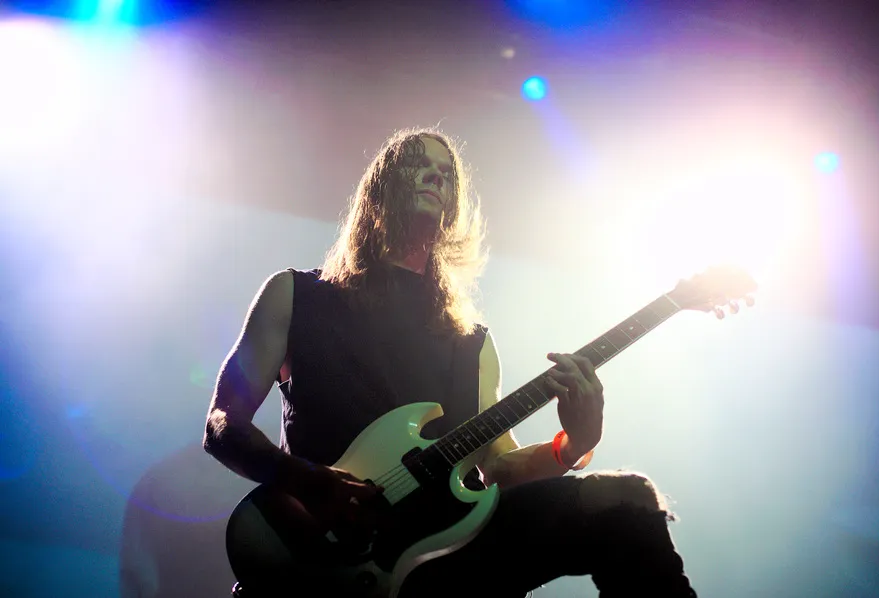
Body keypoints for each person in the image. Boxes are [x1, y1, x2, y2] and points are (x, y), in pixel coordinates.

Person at [202, 127, 698, 597]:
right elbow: (223, 423)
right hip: (327, 556)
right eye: (418, 164)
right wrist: (307, 481)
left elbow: (497, 465)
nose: (436, 176)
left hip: (453, 552)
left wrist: (574, 444)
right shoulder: (296, 295)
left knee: (628, 499)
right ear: (379, 187)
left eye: (446, 173)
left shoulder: (470, 342)